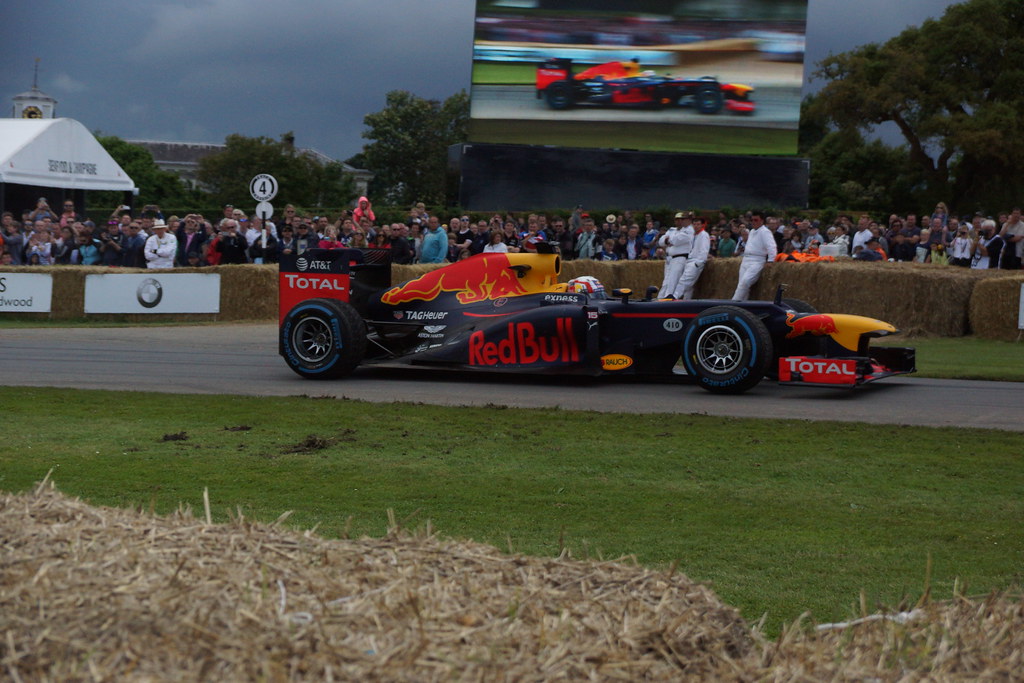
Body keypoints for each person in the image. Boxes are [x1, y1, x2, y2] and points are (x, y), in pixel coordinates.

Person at [731, 211, 777, 301]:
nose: (753, 222)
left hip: (757, 260)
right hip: (746, 259)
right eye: (752, 220)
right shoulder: (751, 231)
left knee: (745, 282)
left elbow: (771, 247)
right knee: (741, 284)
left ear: (762, 221)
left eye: (756, 220)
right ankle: (742, 305)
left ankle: (733, 303)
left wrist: (771, 260)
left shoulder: (765, 232)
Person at [657, 211, 694, 298]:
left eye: (681, 219)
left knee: (673, 281)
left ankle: (668, 298)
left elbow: (677, 240)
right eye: (677, 220)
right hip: (669, 258)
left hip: (680, 258)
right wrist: (667, 241)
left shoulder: (688, 230)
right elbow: (661, 241)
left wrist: (668, 240)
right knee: (666, 281)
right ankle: (661, 298)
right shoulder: (671, 230)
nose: (679, 221)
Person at [674, 216, 710, 300]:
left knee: (684, 281)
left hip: (695, 262)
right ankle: (686, 301)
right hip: (689, 261)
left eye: (698, 224)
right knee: (689, 286)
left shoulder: (704, 235)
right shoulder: (693, 235)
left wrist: (698, 263)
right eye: (694, 224)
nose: (696, 226)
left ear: (702, 225)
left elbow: (704, 250)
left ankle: (674, 297)